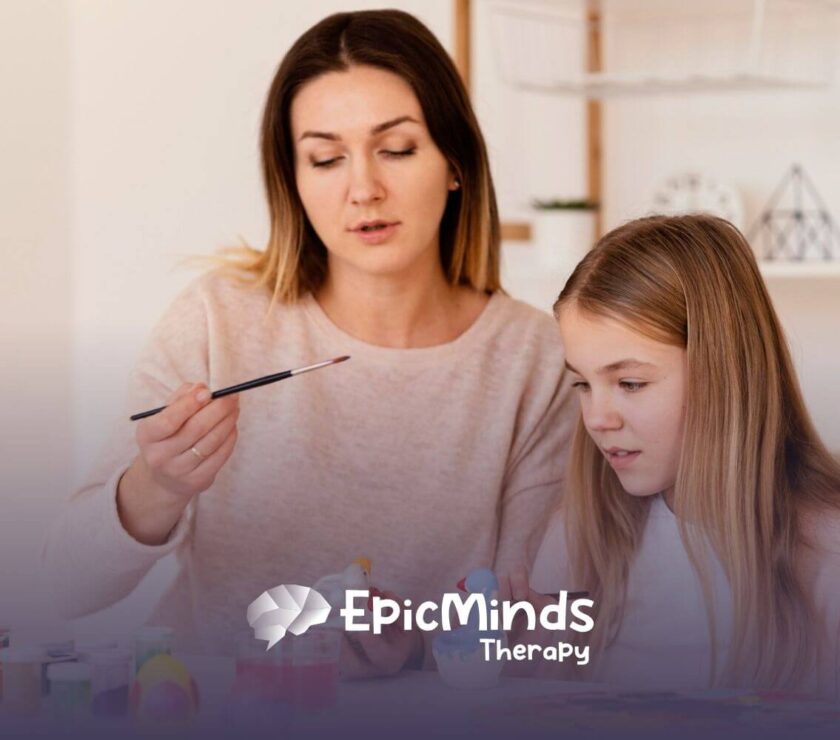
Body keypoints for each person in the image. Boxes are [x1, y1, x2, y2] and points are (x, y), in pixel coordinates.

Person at [42, 10, 575, 676]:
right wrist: (157, 485)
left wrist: (417, 648)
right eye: (325, 158)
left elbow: (539, 627)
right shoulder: (216, 321)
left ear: (456, 164)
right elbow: (66, 586)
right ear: (293, 180)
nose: (363, 189)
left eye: (398, 148)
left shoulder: (537, 358)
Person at [501, 215, 840, 696]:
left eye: (630, 383)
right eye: (582, 384)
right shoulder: (579, 532)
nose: (597, 418)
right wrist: (524, 661)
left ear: (724, 373)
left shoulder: (827, 551)